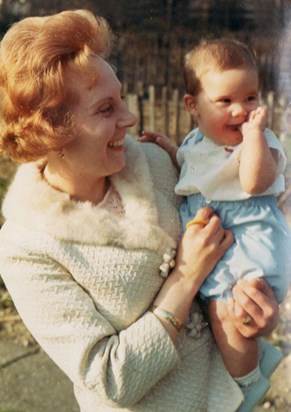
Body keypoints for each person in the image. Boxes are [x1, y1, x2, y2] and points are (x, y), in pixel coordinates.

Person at [0, 13, 281, 412]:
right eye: (105, 109)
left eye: (122, 99)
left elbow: (241, 235)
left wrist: (255, 314)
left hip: (228, 397)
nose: (130, 118)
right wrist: (185, 277)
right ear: (52, 130)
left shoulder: (158, 163)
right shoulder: (25, 247)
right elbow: (111, 378)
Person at [141, 38, 291, 411]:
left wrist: (255, 137)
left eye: (251, 97)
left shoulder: (261, 142)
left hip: (251, 248)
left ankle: (247, 384)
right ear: (193, 106)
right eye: (225, 101)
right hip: (222, 249)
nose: (241, 110)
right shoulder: (195, 141)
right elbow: (196, 174)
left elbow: (254, 182)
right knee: (219, 316)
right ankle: (250, 371)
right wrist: (171, 151)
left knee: (234, 312)